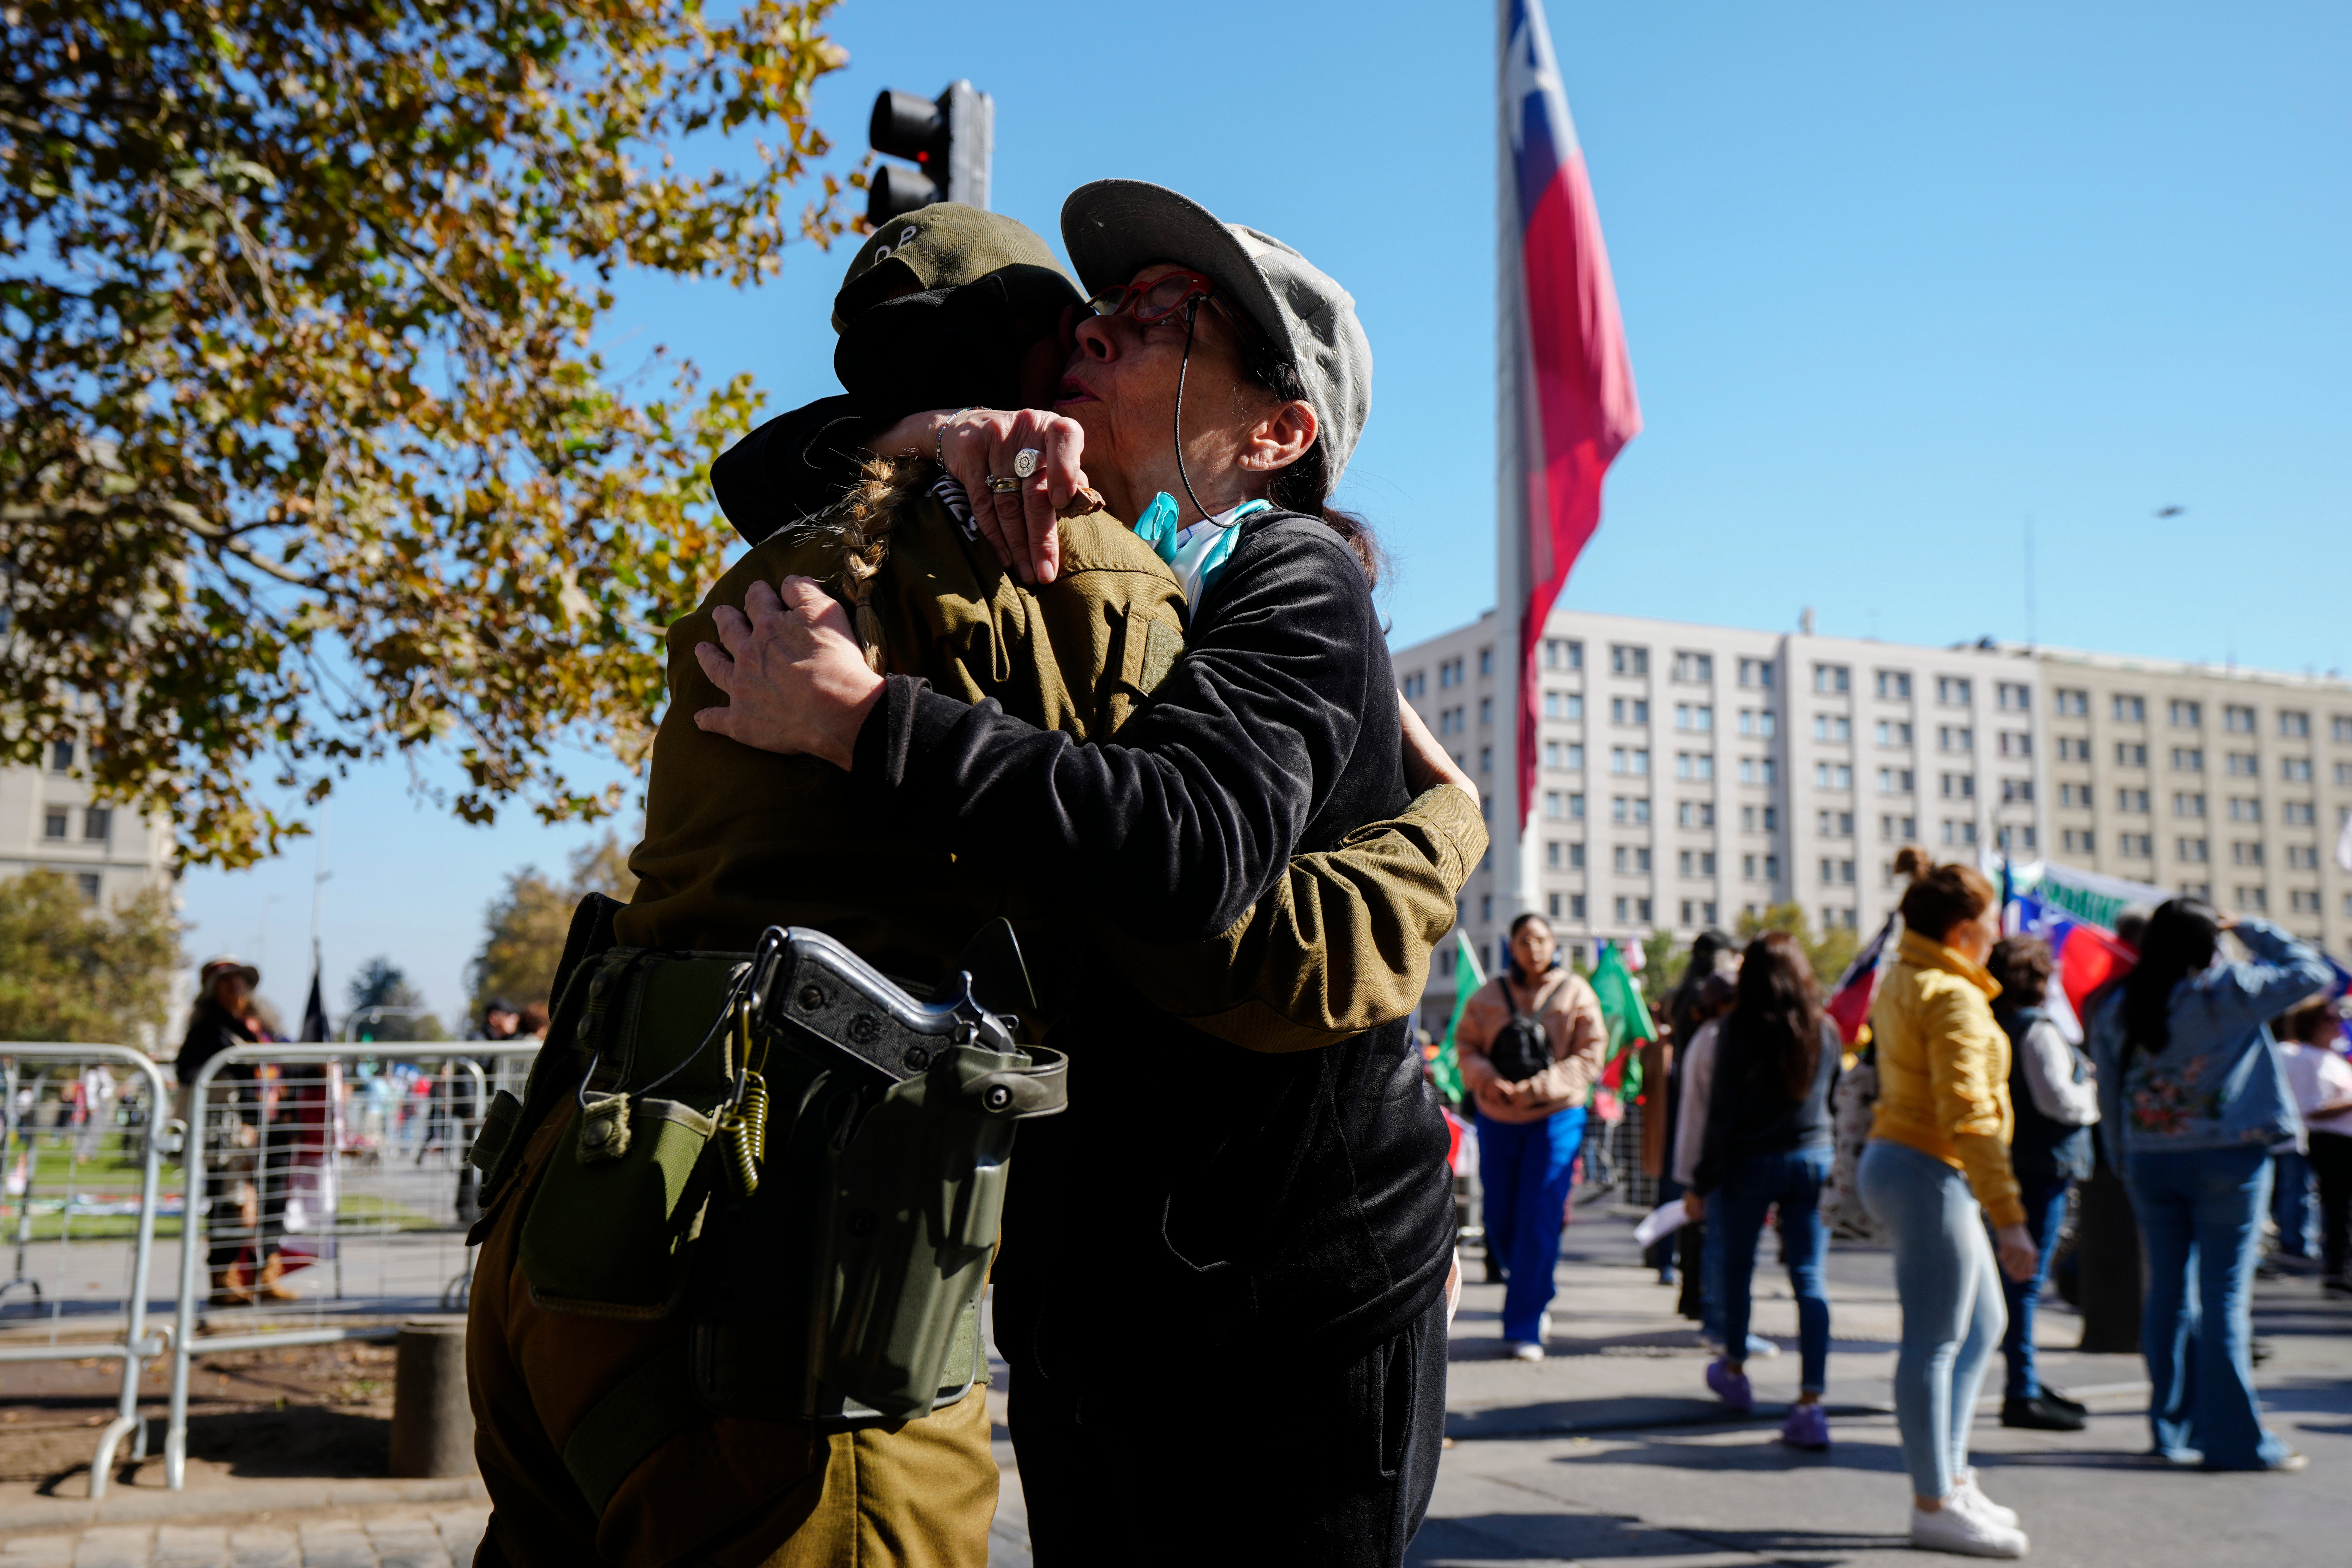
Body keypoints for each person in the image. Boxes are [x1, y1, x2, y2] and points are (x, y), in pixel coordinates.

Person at [469, 197, 1479, 1568]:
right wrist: (1446, 831)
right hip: (867, 1282)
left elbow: (1196, 877)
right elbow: (1243, 925)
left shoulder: (825, 562)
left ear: (1278, 429)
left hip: (1240, 1294)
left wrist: (862, 710)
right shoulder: (1077, 580)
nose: (1109, 340)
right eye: (1095, 322)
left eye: (1159, 324)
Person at [2088, 900, 2330, 1472]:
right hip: (2227, 1156)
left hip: (2148, 1157)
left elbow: (2107, 1092)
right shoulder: (2226, 992)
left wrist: (2121, 1158)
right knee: (2222, 1298)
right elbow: (2312, 972)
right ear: (2206, 942)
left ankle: (2169, 1430)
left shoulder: (2120, 1004)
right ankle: (2233, 1440)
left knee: (2168, 1295)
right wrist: (2247, 925)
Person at [1856, 849, 2038, 1558]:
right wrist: (2011, 1217)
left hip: (1914, 1163)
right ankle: (1934, 1501)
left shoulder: (1909, 972)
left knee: (1977, 1323)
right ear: (1964, 927)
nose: (1997, 931)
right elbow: (1972, 1115)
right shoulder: (1952, 992)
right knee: (1935, 1341)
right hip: (1928, 1165)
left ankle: (1949, 1480)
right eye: (1989, 918)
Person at [1685, 930, 1840, 1449]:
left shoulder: (1737, 1029)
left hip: (1748, 1162)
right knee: (1809, 1278)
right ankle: (1810, 1399)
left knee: (1737, 1268)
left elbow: (1721, 1116)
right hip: (1812, 1161)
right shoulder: (1827, 1029)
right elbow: (1834, 1102)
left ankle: (1734, 1371)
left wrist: (1701, 1179)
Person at [1453, 913, 1607, 1361]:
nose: (1533, 948)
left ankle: (1524, 1325)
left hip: (1556, 1117)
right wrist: (1486, 1079)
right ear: (1511, 946)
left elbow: (1591, 1053)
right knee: (1499, 1219)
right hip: (1497, 1118)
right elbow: (1464, 1047)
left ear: (1553, 944)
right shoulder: (1486, 996)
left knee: (1538, 1216)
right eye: (1524, 940)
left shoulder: (1577, 992)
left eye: (1540, 939)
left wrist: (1540, 1087)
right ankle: (1535, 1285)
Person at [1983, 935, 2100, 1433]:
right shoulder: (2037, 1030)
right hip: (2042, 1166)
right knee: (2025, 1281)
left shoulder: (1994, 1024)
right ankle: (2021, 1389)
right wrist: (2090, 1091)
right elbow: (2060, 1102)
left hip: (2010, 1162)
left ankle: (2024, 1381)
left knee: (2017, 1279)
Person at [176, 956, 298, 1306]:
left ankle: (267, 1274)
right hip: (232, 1131)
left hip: (274, 1124)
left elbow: (292, 1058)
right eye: (228, 982)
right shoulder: (208, 1029)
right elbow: (189, 1070)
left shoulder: (264, 1026)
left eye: (241, 981)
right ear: (215, 990)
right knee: (228, 1201)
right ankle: (224, 1277)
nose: (237, 988)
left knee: (274, 1200)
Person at [1653, 928, 1737, 1284]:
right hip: (1702, 1093)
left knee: (1676, 1176)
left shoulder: (1682, 994)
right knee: (1690, 1179)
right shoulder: (1711, 996)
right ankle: (1682, 1264)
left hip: (1680, 1091)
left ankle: (1664, 1256)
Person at [2274, 998, 2352, 1294]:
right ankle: (2337, 1269)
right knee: (2338, 1206)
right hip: (2329, 1141)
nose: (2337, 1023)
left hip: (2339, 1139)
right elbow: (2310, 1109)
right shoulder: (2303, 1057)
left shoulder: (2330, 1058)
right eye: (2328, 1019)